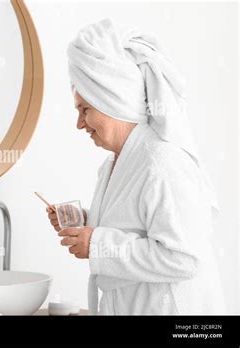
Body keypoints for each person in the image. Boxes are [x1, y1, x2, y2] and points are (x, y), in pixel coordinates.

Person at [46, 19, 225, 315]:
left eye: (85, 110)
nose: (79, 124)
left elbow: (184, 258)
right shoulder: (113, 164)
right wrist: (85, 222)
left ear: (112, 101)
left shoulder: (163, 163)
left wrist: (97, 244)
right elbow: (135, 225)